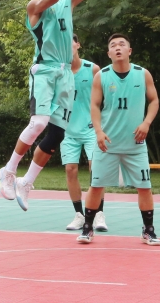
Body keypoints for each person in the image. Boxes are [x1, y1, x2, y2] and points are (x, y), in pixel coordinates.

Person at [0, 0, 115, 211]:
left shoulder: (67, 0)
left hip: (64, 74)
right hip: (44, 70)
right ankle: (9, 170)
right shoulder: (34, 6)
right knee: (39, 122)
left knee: (57, 133)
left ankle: (26, 182)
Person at [77, 33, 160, 246]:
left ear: (129, 51)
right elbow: (94, 105)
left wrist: (146, 123)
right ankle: (87, 227)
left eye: (122, 44)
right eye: (113, 45)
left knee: (144, 186)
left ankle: (148, 230)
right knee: (96, 185)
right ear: (109, 53)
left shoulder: (143, 74)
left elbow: (154, 101)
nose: (117, 47)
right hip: (108, 143)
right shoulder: (102, 76)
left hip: (135, 144)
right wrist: (98, 131)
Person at [61, 35, 106, 232]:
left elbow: (103, 100)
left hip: (90, 129)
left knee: (95, 169)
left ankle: (98, 214)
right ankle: (79, 215)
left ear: (78, 45)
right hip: (67, 129)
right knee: (70, 170)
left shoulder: (93, 69)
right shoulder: (58, 72)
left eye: (70, 42)